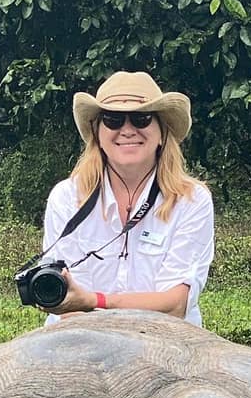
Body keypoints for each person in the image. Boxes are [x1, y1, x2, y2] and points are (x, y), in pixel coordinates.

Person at [38, 71, 214, 327]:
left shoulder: (191, 200)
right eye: (113, 120)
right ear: (97, 132)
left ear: (162, 132)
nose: (127, 130)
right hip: (78, 341)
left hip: (166, 342)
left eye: (141, 119)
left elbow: (175, 305)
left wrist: (94, 301)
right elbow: (66, 306)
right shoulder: (67, 197)